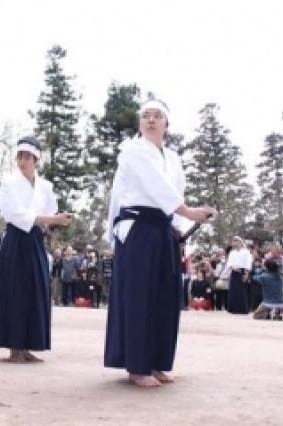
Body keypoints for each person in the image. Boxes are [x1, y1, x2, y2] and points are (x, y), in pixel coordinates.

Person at [104, 99, 215, 388]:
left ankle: (158, 362)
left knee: (166, 298)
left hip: (164, 228)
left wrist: (179, 230)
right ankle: (136, 365)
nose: (151, 120)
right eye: (146, 116)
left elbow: (175, 189)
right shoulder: (132, 150)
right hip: (139, 227)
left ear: (167, 124)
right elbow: (155, 186)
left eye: (157, 116)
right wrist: (189, 212)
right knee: (139, 297)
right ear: (140, 123)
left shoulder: (174, 158)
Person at [0, 136, 72, 363]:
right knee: (15, 292)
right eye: (20, 156)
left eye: (28, 157)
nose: (23, 161)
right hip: (16, 240)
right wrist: (49, 218)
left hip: (36, 241)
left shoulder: (45, 186)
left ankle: (29, 344)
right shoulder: (9, 183)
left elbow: (51, 212)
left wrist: (55, 221)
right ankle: (14, 346)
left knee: (35, 291)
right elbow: (14, 214)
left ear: (37, 160)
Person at [225, 236, 253, 314]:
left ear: (240, 242)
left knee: (242, 291)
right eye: (234, 241)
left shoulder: (246, 252)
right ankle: (233, 309)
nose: (235, 242)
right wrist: (232, 268)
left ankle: (243, 309)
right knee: (233, 290)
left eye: (236, 241)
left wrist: (246, 273)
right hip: (234, 271)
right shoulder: (232, 252)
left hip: (243, 271)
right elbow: (229, 263)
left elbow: (248, 262)